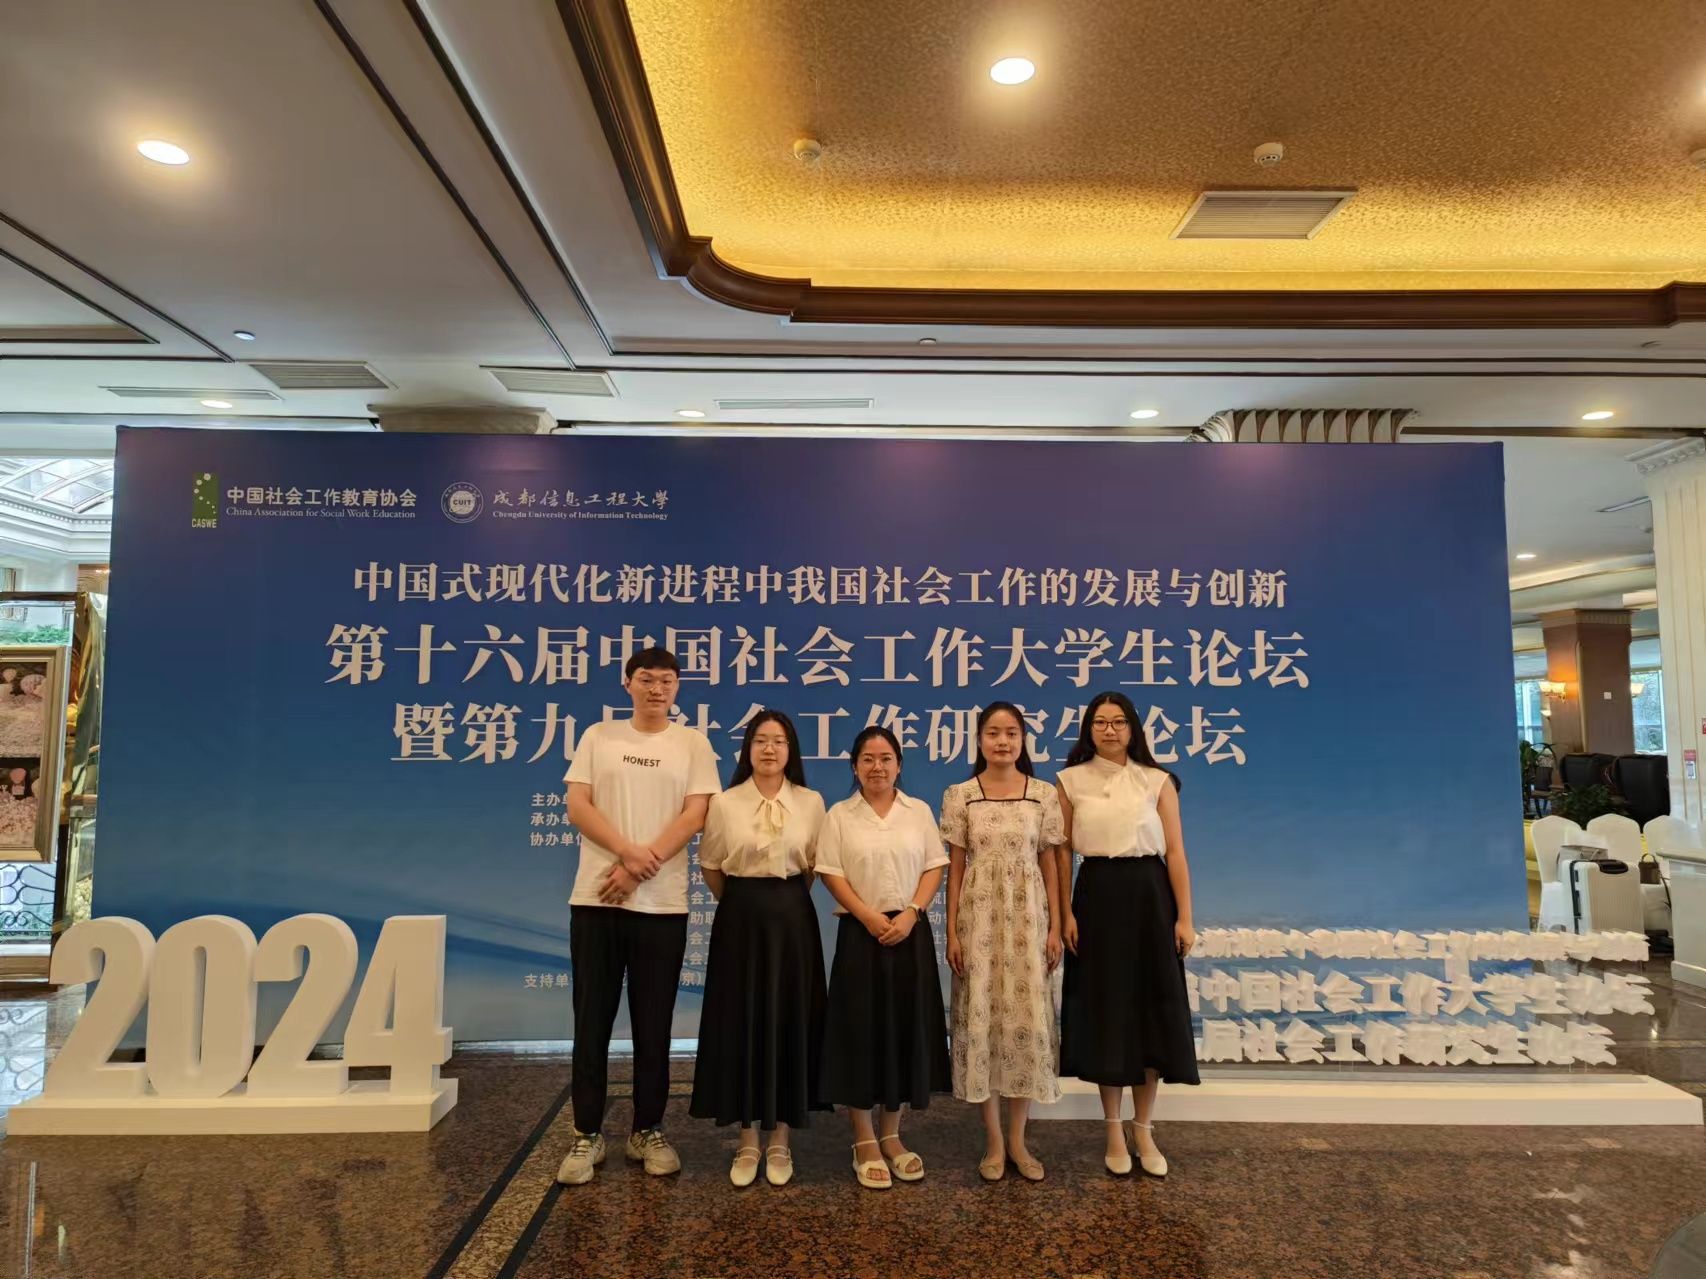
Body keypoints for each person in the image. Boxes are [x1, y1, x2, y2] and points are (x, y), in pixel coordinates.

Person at [556, 648, 721, 1186]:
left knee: (655, 1026)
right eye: (646, 679)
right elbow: (578, 806)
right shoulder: (599, 737)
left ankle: (647, 1130)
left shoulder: (692, 743)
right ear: (627, 683)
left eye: (667, 681)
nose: (656, 689)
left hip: (662, 905)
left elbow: (696, 814)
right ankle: (586, 1134)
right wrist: (628, 854)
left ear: (677, 688)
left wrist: (640, 867)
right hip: (597, 900)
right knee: (591, 1022)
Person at [1055, 691, 1200, 1179]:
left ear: (1133, 728)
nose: (1110, 730)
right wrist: (1064, 914)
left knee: (1149, 1012)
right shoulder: (1070, 781)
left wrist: (1184, 918)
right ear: (1088, 729)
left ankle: (1144, 1127)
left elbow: (1175, 852)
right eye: (1100, 722)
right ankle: (1113, 1129)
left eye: (1118, 722)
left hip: (1150, 896)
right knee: (1108, 1013)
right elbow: (1060, 852)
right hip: (1096, 896)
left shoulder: (1157, 780)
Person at [689, 710, 828, 1187]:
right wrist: (744, 903)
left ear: (791, 750)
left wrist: (780, 902)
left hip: (792, 920)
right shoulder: (725, 803)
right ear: (747, 748)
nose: (770, 749)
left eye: (779, 741)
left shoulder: (810, 802)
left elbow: (813, 868)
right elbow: (711, 865)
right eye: (760, 740)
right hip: (740, 921)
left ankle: (781, 1140)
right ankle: (748, 1140)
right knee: (742, 1020)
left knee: (789, 1020)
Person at [815, 725, 951, 1189]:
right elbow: (830, 873)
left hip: (909, 931)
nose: (877, 767)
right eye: (868, 759)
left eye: (886, 758)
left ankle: (892, 1134)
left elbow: (934, 866)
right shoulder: (839, 815)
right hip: (861, 933)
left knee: (902, 1032)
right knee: (860, 1034)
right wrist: (868, 917)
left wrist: (912, 913)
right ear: (855, 767)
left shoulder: (918, 811)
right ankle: (863, 1138)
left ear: (899, 765)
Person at [941, 702, 1065, 1182]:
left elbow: (1050, 864)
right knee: (984, 1024)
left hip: (1029, 922)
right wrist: (952, 931)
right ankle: (993, 1143)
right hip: (980, 923)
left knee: (1023, 1024)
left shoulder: (1043, 794)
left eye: (1011, 733)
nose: (1002, 741)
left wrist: (1054, 927)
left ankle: (1018, 1140)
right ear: (979, 740)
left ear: (1023, 739)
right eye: (993, 733)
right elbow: (955, 869)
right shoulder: (961, 795)